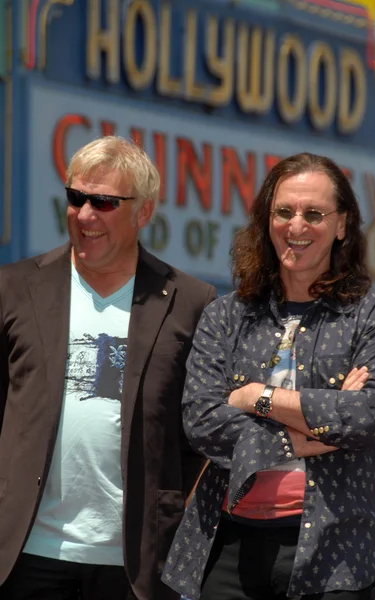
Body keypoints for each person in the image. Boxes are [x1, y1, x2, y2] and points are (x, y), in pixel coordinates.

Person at [162, 152, 375, 600]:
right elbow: (201, 422)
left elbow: (367, 415)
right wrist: (311, 434)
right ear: (265, 220)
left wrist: (255, 396)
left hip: (335, 552)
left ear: (343, 225)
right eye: (284, 212)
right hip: (227, 544)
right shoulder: (224, 316)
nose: (297, 226)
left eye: (314, 213)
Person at [0, 136, 216, 600]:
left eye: (104, 202)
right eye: (76, 198)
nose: (85, 215)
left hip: (136, 565)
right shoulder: (15, 288)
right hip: (25, 555)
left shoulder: (190, 302)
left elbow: (195, 435)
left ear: (144, 211)